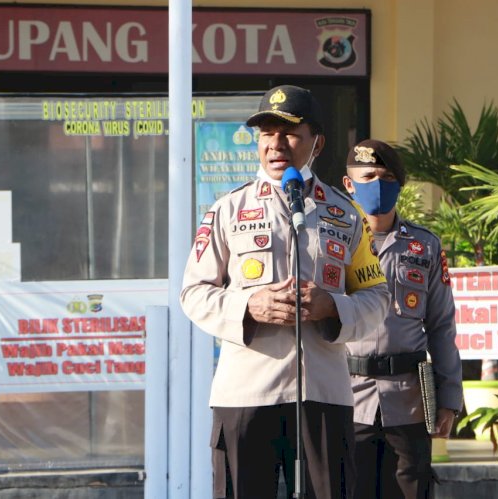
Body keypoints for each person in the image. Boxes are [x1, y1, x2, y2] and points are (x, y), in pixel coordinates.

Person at [180, 85, 390, 499]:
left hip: (324, 392)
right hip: (246, 390)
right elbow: (194, 293)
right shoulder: (227, 209)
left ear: (317, 142)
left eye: (290, 132)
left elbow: (378, 298)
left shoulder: (344, 214)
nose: (276, 145)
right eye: (266, 133)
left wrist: (334, 307)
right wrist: (248, 305)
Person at [342, 139, 463, 499]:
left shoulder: (424, 246)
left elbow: (442, 325)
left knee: (412, 489)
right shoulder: (332, 243)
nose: (377, 183)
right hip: (348, 397)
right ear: (349, 185)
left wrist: (449, 398)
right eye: (368, 176)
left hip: (408, 399)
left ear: (399, 185)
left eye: (387, 176)